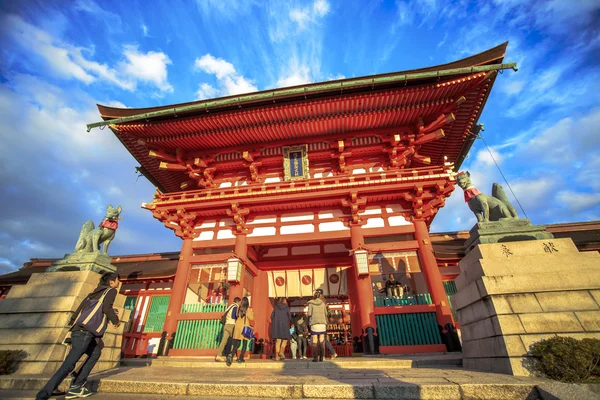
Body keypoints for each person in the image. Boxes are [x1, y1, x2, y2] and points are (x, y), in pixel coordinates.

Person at [36, 272, 121, 400]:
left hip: (80, 330)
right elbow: (106, 308)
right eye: (118, 280)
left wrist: (72, 323)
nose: (119, 282)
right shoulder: (110, 291)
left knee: (95, 353)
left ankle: (77, 385)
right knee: (69, 364)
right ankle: (44, 394)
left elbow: (81, 308)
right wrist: (115, 320)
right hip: (85, 332)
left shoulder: (94, 292)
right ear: (111, 282)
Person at [225, 296, 253, 366]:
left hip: (238, 327)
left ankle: (231, 354)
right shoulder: (248, 309)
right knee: (245, 343)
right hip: (245, 327)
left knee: (237, 343)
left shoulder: (238, 308)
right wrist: (251, 311)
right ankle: (241, 357)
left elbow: (236, 316)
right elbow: (251, 318)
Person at [215, 297, 241, 362]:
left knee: (224, 341)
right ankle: (232, 355)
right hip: (232, 325)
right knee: (233, 340)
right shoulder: (235, 307)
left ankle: (218, 355)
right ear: (238, 302)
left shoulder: (229, 307)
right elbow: (233, 316)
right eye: (240, 302)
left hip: (226, 324)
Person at [307, 289, 328, 362]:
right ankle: (322, 357)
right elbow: (326, 313)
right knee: (322, 340)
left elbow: (309, 314)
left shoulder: (311, 303)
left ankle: (315, 357)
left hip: (314, 323)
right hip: (322, 323)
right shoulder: (323, 303)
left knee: (315, 340)